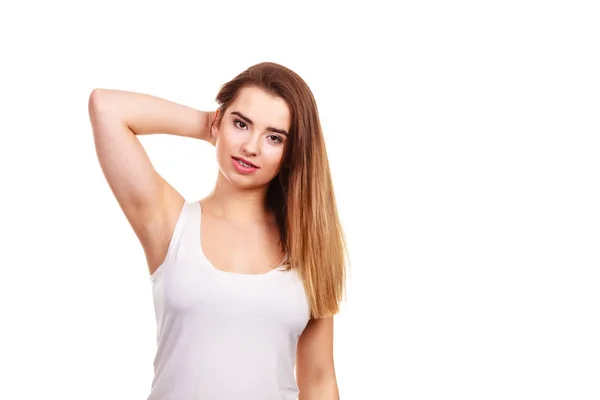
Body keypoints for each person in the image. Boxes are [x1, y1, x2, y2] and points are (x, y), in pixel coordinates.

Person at [88, 61, 348, 399]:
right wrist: (206, 125)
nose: (251, 147)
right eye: (241, 124)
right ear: (220, 120)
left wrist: (227, 126)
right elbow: (106, 107)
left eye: (274, 137)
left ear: (291, 152)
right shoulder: (170, 223)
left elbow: (319, 381)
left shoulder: (308, 247)